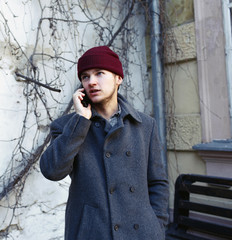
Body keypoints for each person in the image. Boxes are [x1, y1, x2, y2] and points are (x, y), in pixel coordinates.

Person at [40, 46, 169, 240]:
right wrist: (81, 120)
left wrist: (157, 227)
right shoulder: (67, 126)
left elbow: (157, 183)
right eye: (85, 76)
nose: (91, 82)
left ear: (118, 78)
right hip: (92, 233)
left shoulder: (145, 126)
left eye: (99, 73)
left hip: (140, 233)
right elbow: (52, 170)